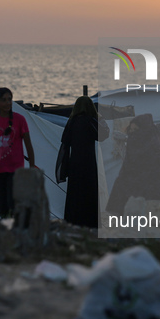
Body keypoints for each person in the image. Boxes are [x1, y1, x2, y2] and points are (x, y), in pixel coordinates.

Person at [106, 113, 160, 215]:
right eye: (131, 131)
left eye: (136, 130)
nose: (132, 134)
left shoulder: (155, 146)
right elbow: (128, 170)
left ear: (145, 129)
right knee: (121, 183)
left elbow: (150, 173)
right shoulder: (145, 142)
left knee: (123, 184)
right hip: (148, 183)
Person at [0, 87, 35, 218]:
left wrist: (32, 170)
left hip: (15, 170)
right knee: (3, 208)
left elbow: (29, 146)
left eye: (10, 99)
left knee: (13, 204)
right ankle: (6, 233)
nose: (8, 103)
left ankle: (16, 232)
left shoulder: (20, 120)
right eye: (4, 100)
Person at [61, 96, 109, 228]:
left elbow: (64, 145)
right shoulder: (89, 122)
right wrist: (100, 118)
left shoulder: (72, 122)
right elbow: (104, 134)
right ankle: (90, 223)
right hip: (88, 164)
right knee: (89, 193)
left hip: (74, 165)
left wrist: (64, 169)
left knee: (75, 195)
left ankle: (73, 221)